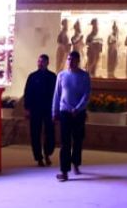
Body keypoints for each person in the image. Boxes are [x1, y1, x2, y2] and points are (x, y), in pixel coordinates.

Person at [52, 50, 91, 182]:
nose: (70, 62)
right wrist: (54, 111)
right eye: (68, 59)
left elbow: (86, 95)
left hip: (78, 113)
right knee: (65, 142)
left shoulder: (84, 76)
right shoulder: (61, 75)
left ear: (78, 61)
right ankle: (64, 171)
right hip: (65, 112)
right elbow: (57, 94)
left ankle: (76, 163)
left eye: (73, 59)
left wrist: (78, 108)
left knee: (78, 140)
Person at [23, 54, 57, 167]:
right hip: (35, 109)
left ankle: (47, 153)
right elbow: (27, 93)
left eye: (42, 61)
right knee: (35, 133)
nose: (40, 63)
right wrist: (27, 108)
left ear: (47, 63)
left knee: (50, 133)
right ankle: (39, 157)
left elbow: (56, 94)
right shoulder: (32, 76)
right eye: (39, 61)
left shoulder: (52, 77)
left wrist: (56, 109)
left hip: (48, 109)